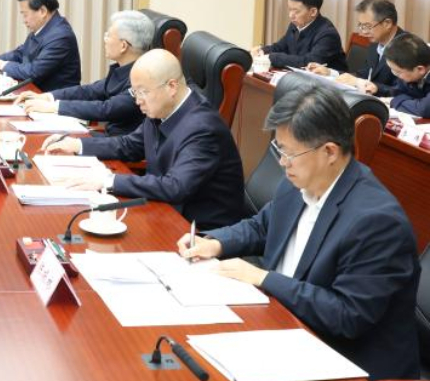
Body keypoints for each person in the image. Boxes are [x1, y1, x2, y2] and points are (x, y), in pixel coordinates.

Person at [178, 86, 420, 381]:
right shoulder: (299, 183)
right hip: (283, 326)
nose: (282, 163)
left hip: (345, 360)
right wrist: (214, 242)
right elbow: (262, 225)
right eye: (279, 150)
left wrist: (263, 278)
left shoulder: (377, 222)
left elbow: (346, 316)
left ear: (330, 151)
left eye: (290, 153)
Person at [42, 49, 248, 230]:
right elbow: (129, 145)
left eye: (143, 92)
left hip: (199, 233)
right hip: (163, 212)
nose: (137, 100)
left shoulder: (203, 129)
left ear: (172, 86)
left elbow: (176, 186)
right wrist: (76, 145)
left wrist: (108, 180)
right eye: (134, 92)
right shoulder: (161, 109)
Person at [14, 10, 151, 136]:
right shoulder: (122, 70)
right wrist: (47, 97)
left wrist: (54, 107)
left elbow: (106, 109)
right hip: (108, 139)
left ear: (123, 46)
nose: (105, 40)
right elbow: (89, 91)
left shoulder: (142, 77)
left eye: (108, 35)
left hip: (120, 148)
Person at [0, 0, 81, 91]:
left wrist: (0, 64)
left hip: (53, 100)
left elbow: (33, 72)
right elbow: (21, 54)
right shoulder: (45, 27)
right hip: (35, 93)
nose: (24, 21)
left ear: (42, 11)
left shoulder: (60, 37)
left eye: (25, 15)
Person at [308, 0, 407, 96]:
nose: (362, 33)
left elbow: (405, 92)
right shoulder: (375, 42)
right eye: (361, 26)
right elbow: (364, 74)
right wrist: (331, 73)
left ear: (387, 23)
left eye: (367, 26)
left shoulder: (407, 47)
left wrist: (369, 86)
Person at [252, 0, 347, 71]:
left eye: (296, 11)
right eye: (289, 9)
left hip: (329, 85)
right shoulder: (295, 24)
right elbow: (281, 46)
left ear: (313, 12)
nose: (291, 15)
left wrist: (273, 57)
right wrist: (262, 51)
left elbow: (310, 63)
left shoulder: (328, 34)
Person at [382, 33, 430, 118]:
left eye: (398, 71)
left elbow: (424, 109)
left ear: (420, 69)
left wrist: (394, 101)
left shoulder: (413, 63)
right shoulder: (410, 65)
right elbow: (398, 92)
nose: (394, 74)